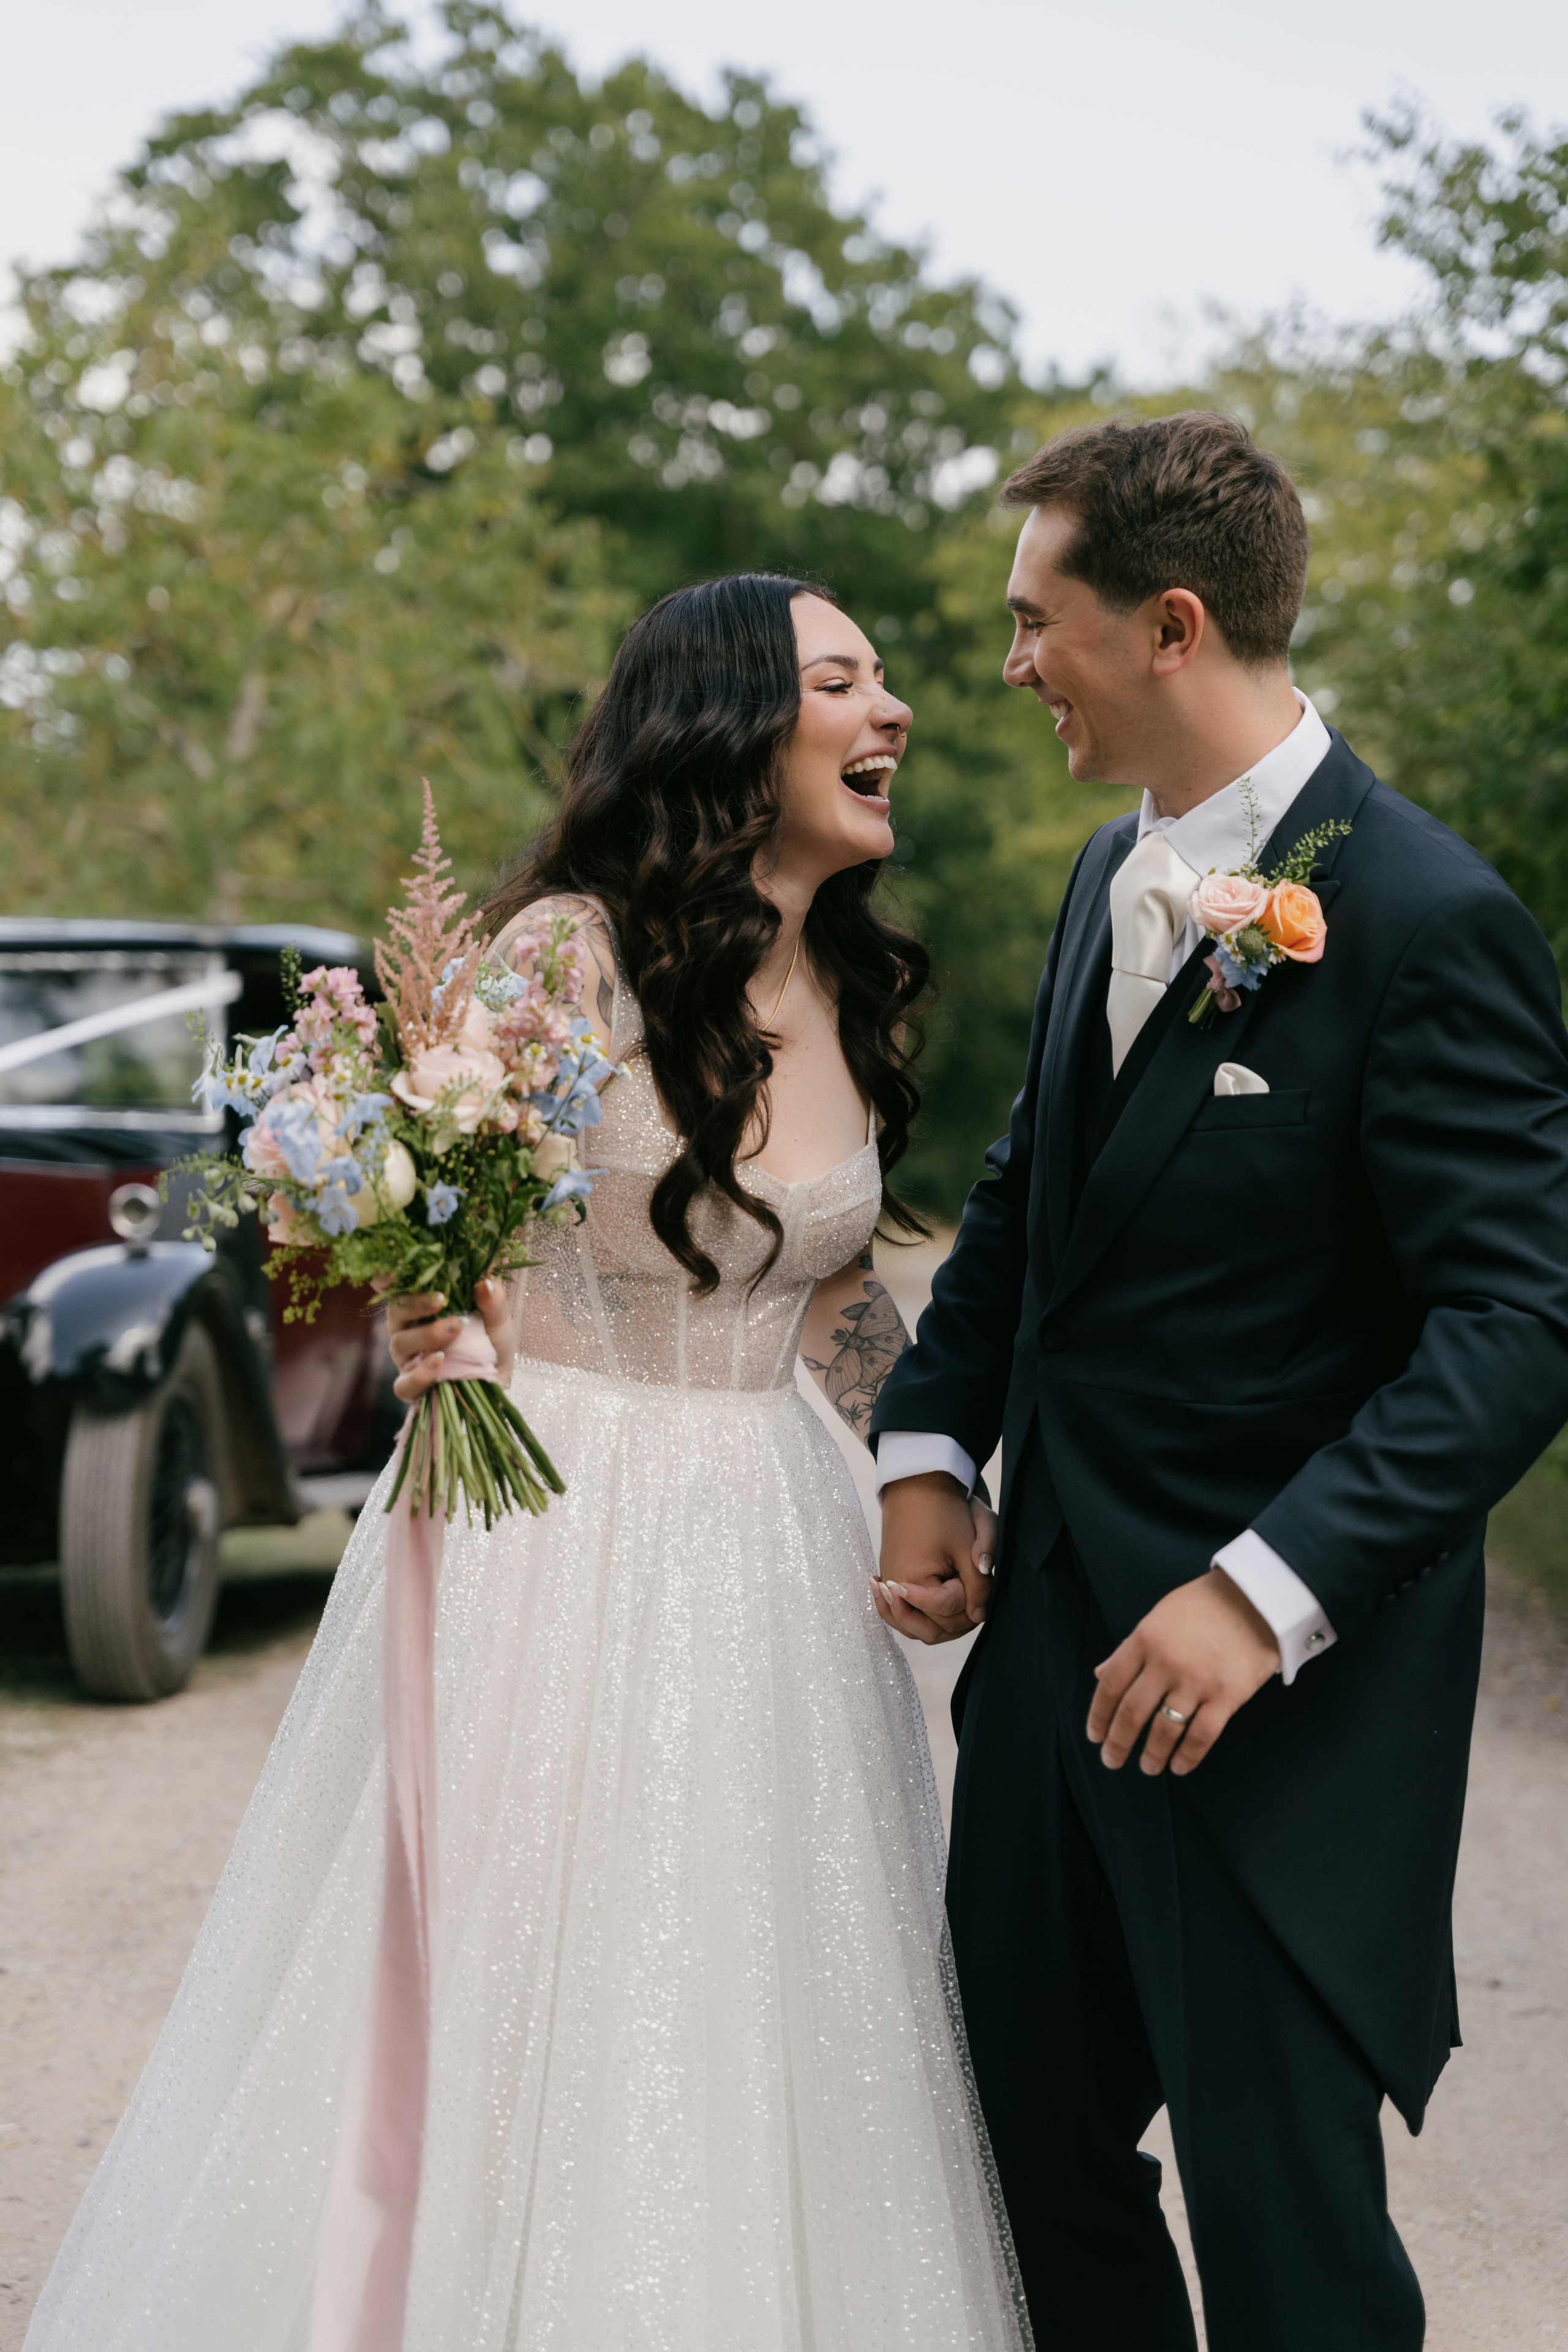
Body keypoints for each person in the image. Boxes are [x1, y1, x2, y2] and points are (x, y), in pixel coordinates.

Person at [23, 576, 1029, 2352]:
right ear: (727, 721)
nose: (894, 717)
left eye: (885, 685)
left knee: (753, 1997)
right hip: (554, 1528)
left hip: (775, 1551)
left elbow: (818, 1301)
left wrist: (927, 1482)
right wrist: (436, 1316)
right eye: (843, 684)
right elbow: (439, 1213)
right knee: (531, 1970)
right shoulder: (568, 950)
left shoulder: (840, 977)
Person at [870, 412, 1568, 2352]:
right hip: (1046, 1689)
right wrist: (931, 1437)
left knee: (1289, 2248)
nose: (1010, 668)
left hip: (1273, 1721)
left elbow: (1517, 1325)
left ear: (1170, 625)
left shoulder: (1432, 921)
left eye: (1037, 622)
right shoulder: (1115, 880)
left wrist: (1266, 1596)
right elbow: (1032, 1204)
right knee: (1030, 2169)